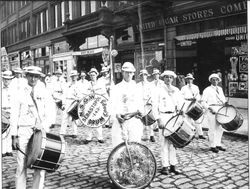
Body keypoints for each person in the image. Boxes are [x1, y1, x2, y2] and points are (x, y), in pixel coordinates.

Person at [10, 66, 53, 189]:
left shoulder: (44, 91)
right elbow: (14, 115)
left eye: (36, 76)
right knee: (21, 164)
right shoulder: (19, 92)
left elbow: (51, 111)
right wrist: (14, 136)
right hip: (23, 130)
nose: (33, 78)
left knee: (40, 165)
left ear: (39, 77)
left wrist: (44, 124)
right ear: (26, 76)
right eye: (31, 75)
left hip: (40, 132)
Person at [153, 70, 184, 175]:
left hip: (173, 117)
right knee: (164, 143)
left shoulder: (176, 90)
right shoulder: (158, 90)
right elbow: (154, 106)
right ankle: (165, 166)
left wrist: (181, 112)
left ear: (173, 79)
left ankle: (173, 165)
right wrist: (158, 119)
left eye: (171, 77)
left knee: (173, 143)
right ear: (163, 78)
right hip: (163, 116)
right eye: (166, 77)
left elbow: (180, 103)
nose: (169, 79)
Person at [110, 62, 144, 148]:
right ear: (122, 73)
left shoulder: (137, 88)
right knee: (119, 145)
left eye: (130, 72)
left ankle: (134, 161)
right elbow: (112, 104)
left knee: (135, 144)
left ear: (133, 73)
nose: (129, 74)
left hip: (134, 120)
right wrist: (116, 114)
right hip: (121, 120)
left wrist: (141, 113)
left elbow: (141, 103)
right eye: (126, 72)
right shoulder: (116, 88)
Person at [201, 73, 227, 153]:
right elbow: (203, 102)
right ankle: (212, 145)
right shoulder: (207, 90)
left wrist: (225, 102)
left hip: (220, 109)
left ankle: (218, 144)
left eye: (217, 79)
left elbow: (223, 99)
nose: (215, 81)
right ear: (210, 81)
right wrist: (209, 108)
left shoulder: (220, 89)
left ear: (218, 81)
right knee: (213, 128)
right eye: (213, 79)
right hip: (212, 109)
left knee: (220, 128)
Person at [84, 68, 108, 144]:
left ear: (96, 75)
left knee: (98, 120)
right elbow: (84, 94)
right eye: (91, 75)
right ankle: (88, 138)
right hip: (89, 105)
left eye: (93, 75)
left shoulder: (100, 83)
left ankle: (99, 137)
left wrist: (106, 101)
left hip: (98, 104)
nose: (92, 76)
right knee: (88, 121)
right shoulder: (87, 84)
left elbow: (104, 94)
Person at [181, 73, 206, 139]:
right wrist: (187, 99)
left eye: (191, 79)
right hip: (187, 104)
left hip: (194, 104)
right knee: (188, 120)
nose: (189, 80)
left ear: (192, 80)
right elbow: (181, 97)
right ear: (186, 80)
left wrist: (196, 99)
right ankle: (190, 134)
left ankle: (200, 134)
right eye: (188, 79)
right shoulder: (183, 88)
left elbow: (198, 95)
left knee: (197, 119)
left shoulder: (195, 87)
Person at [137, 69, 155, 142]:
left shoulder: (150, 85)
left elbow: (153, 94)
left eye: (145, 75)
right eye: (141, 75)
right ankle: (141, 135)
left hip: (148, 103)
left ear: (147, 76)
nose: (143, 76)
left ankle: (151, 135)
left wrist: (150, 101)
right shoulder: (137, 85)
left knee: (149, 119)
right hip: (140, 103)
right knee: (140, 118)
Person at [60, 70, 79, 138]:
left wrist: (79, 100)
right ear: (70, 77)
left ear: (77, 76)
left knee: (74, 118)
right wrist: (63, 104)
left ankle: (75, 132)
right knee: (65, 117)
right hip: (67, 101)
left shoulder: (79, 84)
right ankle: (62, 132)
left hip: (75, 102)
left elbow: (81, 94)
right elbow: (64, 94)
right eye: (72, 76)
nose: (73, 77)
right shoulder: (67, 84)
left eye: (75, 76)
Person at [2, 70, 15, 157]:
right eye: (5, 79)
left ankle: (9, 150)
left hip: (12, 111)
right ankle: (3, 151)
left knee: (10, 131)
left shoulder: (14, 90)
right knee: (3, 132)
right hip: (3, 112)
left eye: (9, 79)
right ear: (2, 79)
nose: (7, 81)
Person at [151, 68, 164, 132]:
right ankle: (155, 127)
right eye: (154, 74)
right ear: (153, 75)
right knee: (154, 112)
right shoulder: (150, 84)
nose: (156, 75)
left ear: (159, 75)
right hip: (153, 100)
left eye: (157, 74)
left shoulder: (162, 83)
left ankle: (160, 125)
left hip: (161, 100)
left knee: (160, 112)